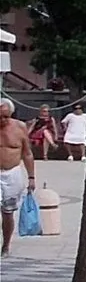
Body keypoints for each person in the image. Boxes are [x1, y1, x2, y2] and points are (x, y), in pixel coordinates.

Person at [0, 99, 35, 255]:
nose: (2, 120)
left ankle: (6, 245)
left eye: (5, 117)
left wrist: (31, 177)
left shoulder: (20, 127)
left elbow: (27, 153)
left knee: (8, 212)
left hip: (12, 173)